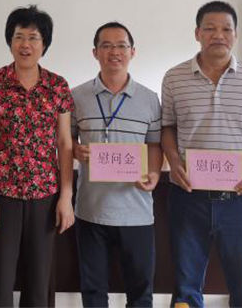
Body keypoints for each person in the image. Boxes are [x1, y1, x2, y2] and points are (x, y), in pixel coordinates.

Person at [161, 1, 242, 308]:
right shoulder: (174, 77)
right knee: (185, 291)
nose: (218, 35)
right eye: (209, 28)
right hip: (188, 197)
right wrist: (174, 161)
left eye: (226, 29)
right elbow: (167, 127)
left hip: (240, 199)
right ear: (197, 33)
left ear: (236, 34)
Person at [0, 5, 75, 307]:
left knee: (39, 279)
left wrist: (66, 197)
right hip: (3, 194)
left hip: (45, 195)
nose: (25, 45)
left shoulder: (57, 86)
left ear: (44, 44)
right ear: (10, 41)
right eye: (19, 37)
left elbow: (65, 144)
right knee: (1, 276)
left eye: (33, 38)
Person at [71, 22, 162, 308]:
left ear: (133, 52)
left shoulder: (149, 99)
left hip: (137, 212)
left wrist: (154, 173)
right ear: (95, 52)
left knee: (140, 294)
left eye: (121, 45)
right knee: (93, 293)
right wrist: (76, 150)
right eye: (107, 46)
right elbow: (65, 141)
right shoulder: (77, 96)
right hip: (90, 210)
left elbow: (155, 144)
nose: (114, 52)